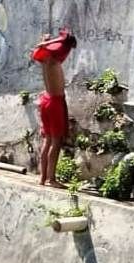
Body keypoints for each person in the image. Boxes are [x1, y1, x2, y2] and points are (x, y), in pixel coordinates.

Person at [32, 29, 77, 188]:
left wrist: (46, 41)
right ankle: (51, 179)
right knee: (56, 141)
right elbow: (59, 44)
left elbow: (40, 48)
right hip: (55, 102)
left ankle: (43, 178)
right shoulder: (53, 61)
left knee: (48, 140)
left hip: (46, 99)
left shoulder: (46, 60)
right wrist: (50, 42)